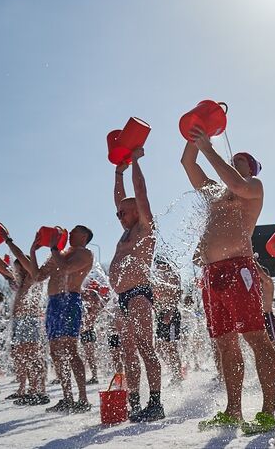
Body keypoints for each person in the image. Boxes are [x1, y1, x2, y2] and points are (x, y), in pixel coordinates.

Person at [181, 124, 275, 435]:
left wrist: (209, 148)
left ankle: (267, 411)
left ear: (251, 168)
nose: (235, 159)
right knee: (225, 345)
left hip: (240, 270)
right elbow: (187, 163)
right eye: (233, 158)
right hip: (211, 275)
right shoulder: (214, 192)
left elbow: (235, 183)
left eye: (241, 159)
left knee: (256, 339)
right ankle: (232, 410)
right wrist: (195, 133)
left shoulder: (253, 187)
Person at [109, 147, 166, 422]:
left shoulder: (145, 228)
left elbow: (139, 193)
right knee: (128, 353)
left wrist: (135, 163)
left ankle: (155, 404)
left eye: (123, 212)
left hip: (139, 295)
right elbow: (121, 200)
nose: (119, 215)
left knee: (145, 348)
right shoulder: (125, 231)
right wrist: (118, 170)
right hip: (122, 297)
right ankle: (134, 403)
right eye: (118, 213)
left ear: (137, 212)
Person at [30, 225, 95, 413]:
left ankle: (83, 398)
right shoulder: (61, 252)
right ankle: (67, 397)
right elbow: (37, 276)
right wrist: (33, 252)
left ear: (84, 236)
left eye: (74, 231)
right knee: (55, 352)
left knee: (70, 349)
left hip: (69, 301)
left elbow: (66, 269)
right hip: (53, 303)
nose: (69, 233)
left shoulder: (85, 253)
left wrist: (53, 248)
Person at [0, 232, 49, 405]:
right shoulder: (19, 283)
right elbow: (3, 268)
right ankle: (26, 388)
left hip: (30, 320)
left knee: (33, 355)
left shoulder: (33, 277)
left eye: (18, 268)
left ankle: (38, 390)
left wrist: (8, 241)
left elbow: (18, 257)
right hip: (19, 322)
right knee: (21, 356)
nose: (15, 272)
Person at [154, 257, 186, 386]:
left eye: (158, 265)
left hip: (171, 315)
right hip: (161, 314)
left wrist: (170, 312)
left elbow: (177, 296)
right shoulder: (158, 277)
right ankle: (174, 371)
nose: (156, 268)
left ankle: (178, 375)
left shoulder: (173, 276)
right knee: (160, 347)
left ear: (164, 264)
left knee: (172, 347)